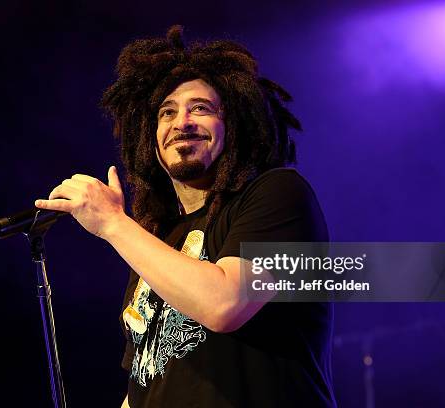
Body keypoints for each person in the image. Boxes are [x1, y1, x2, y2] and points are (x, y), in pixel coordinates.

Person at [35, 26, 336, 408]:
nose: (182, 122)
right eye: (167, 112)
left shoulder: (279, 195)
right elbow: (145, 383)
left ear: (235, 125)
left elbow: (224, 304)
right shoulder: (157, 239)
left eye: (201, 108)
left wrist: (113, 223)